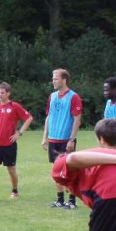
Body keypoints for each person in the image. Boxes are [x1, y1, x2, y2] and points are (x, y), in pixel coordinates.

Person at [0, 82, 33, 202]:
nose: (0, 95)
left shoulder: (14, 106)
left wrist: (19, 133)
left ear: (8, 93)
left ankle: (15, 191)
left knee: (11, 170)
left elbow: (29, 118)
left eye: (2, 93)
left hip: (9, 145)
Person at [42, 69, 83, 209]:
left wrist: (72, 139)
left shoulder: (73, 97)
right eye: (53, 79)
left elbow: (77, 119)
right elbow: (48, 117)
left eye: (56, 79)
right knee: (56, 170)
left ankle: (72, 201)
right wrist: (45, 137)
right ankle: (60, 199)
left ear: (64, 80)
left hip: (66, 140)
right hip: (53, 139)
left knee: (69, 170)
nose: (53, 81)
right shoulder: (52, 96)